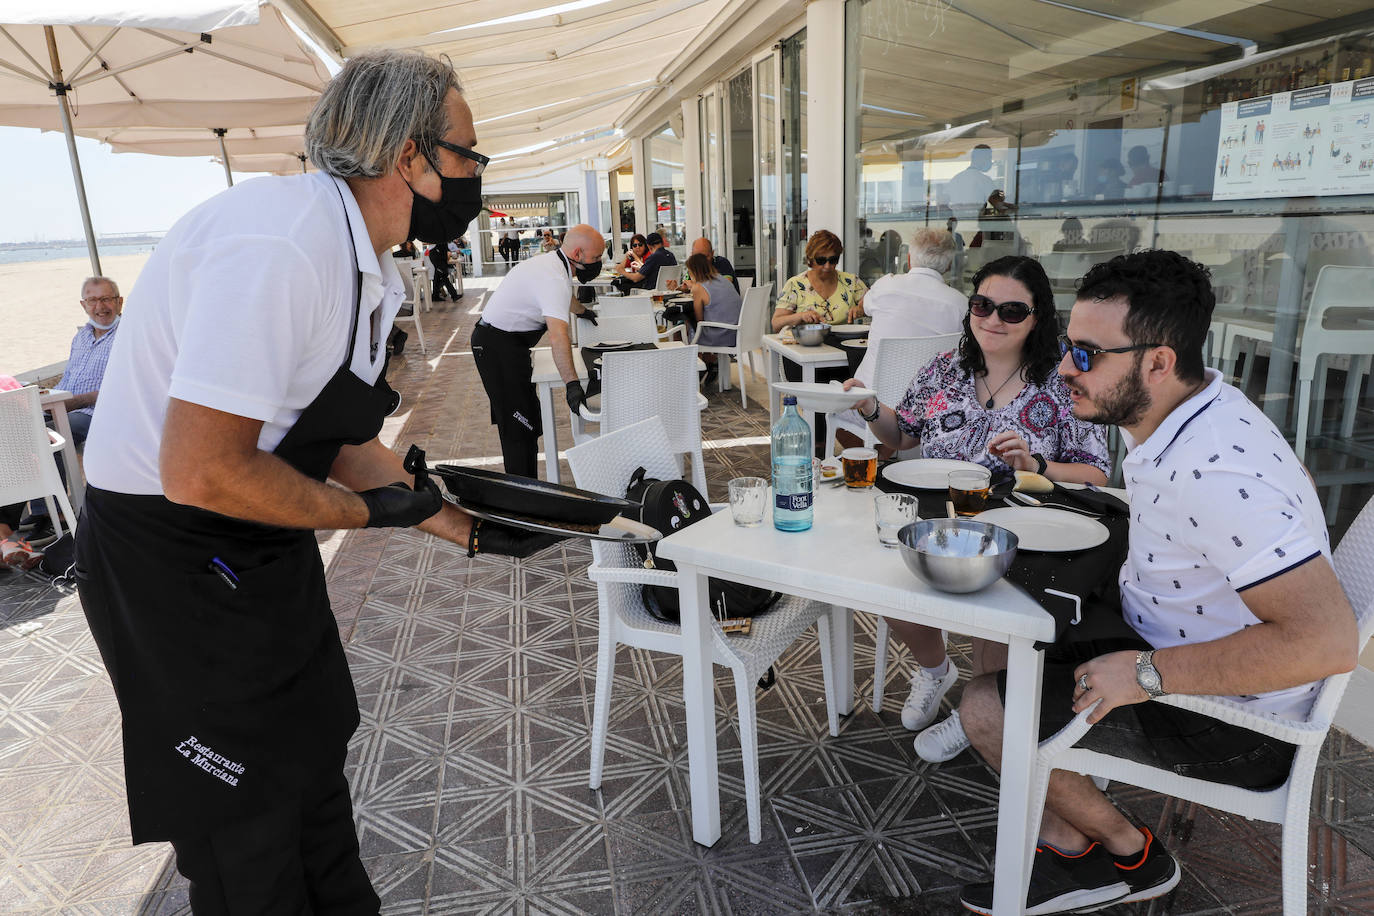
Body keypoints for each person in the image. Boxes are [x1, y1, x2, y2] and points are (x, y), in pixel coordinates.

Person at [75, 50, 560, 914]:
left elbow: (335, 439)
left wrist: (473, 529)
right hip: (174, 560)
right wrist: (361, 514)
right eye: (469, 157)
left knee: (310, 767)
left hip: (255, 534)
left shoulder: (364, 262)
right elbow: (201, 469)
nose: (476, 177)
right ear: (409, 156)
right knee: (246, 838)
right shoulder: (283, 244)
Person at [953, 250, 1358, 915]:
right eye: (1067, 348)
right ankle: (1059, 832)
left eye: (1086, 355)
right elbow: (1293, 491)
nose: (1062, 369)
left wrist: (1143, 675)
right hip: (1166, 633)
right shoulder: (1202, 407)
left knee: (985, 707)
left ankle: (1128, 853)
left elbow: (1329, 642)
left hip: (1232, 725)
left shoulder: (1214, 474)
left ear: (1159, 362)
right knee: (1016, 605)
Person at [844, 255, 1110, 756]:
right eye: (983, 305)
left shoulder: (1061, 379)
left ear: (1037, 317)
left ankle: (977, 713)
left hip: (1023, 530)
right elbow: (902, 437)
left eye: (1012, 311)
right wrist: (871, 407)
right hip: (941, 523)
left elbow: (1097, 474)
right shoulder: (946, 368)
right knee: (880, 580)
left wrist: (1038, 466)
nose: (992, 319)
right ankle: (935, 670)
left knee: (995, 613)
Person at [471, 224, 605, 477]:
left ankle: (527, 487)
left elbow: (564, 296)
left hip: (508, 344)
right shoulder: (553, 276)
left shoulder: (555, 264)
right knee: (518, 425)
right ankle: (522, 495)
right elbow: (557, 336)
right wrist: (572, 384)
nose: (599, 262)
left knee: (528, 419)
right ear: (578, 253)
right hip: (495, 347)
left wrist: (583, 312)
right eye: (596, 257)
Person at [831, 228, 966, 454]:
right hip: (927, 408)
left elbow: (863, 307)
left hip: (871, 401)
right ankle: (888, 455)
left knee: (834, 406)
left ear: (909, 259)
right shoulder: (961, 304)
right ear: (949, 265)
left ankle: (878, 459)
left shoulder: (886, 285)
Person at [21, 276, 124, 542]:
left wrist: (72, 402)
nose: (100, 307)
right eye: (93, 300)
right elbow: (70, 378)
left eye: (106, 299)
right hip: (63, 406)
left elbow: (123, 389)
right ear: (83, 305)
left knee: (47, 434)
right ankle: (17, 517)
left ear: (119, 301)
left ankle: (54, 515)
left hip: (98, 414)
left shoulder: (128, 336)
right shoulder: (80, 336)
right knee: (13, 430)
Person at [771, 229, 868, 332]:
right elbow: (776, 324)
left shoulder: (851, 282)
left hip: (843, 344)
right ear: (810, 259)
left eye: (833, 260)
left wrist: (862, 309)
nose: (827, 266)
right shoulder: (795, 285)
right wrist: (801, 316)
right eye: (821, 260)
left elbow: (876, 304)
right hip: (808, 344)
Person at [684, 252, 742, 388]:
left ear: (695, 271)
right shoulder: (722, 279)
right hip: (736, 333)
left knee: (687, 326)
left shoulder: (699, 288)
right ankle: (710, 362)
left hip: (721, 336)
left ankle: (696, 370)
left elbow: (700, 321)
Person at [943, 144, 998, 217]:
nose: (991, 162)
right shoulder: (984, 180)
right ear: (981, 158)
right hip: (977, 224)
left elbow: (944, 200)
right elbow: (998, 203)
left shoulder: (956, 178)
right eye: (989, 158)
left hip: (959, 224)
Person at [667, 237, 737, 294]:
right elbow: (687, 286)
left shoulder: (721, 263)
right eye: (697, 257)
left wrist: (694, 285)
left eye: (705, 256)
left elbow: (726, 287)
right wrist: (677, 288)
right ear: (692, 255)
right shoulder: (693, 265)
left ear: (712, 253)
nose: (701, 261)